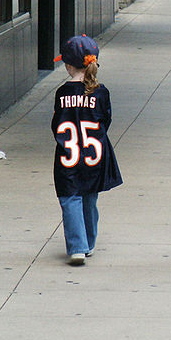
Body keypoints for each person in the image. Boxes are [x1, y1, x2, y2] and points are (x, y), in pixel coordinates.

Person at [51, 35, 122, 265]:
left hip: (68, 157)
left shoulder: (62, 93)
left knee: (70, 199)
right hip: (94, 157)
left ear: (68, 66)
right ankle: (89, 243)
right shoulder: (101, 93)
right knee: (89, 197)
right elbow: (106, 121)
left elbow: (56, 125)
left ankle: (77, 247)